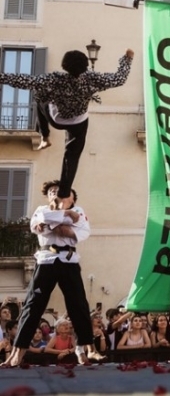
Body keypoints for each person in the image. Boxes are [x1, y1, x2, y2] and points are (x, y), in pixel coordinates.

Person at [0, 49, 133, 205]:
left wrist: (2, 77)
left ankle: (45, 136)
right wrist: (127, 59)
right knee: (72, 157)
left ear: (64, 66)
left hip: (57, 119)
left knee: (39, 96)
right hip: (78, 122)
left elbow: (23, 80)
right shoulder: (92, 78)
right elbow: (119, 79)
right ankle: (63, 195)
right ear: (85, 67)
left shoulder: (54, 79)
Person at [2, 182, 99, 367]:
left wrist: (60, 222)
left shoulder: (78, 210)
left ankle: (89, 348)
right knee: (33, 305)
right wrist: (64, 219)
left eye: (61, 191)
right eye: (51, 191)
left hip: (69, 260)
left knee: (78, 303)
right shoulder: (41, 209)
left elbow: (80, 232)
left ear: (72, 198)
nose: (55, 193)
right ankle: (17, 352)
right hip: (46, 259)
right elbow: (40, 226)